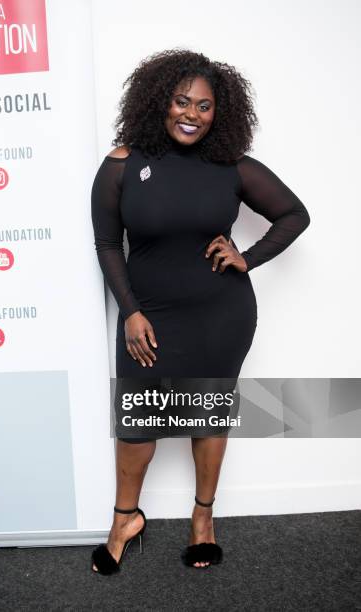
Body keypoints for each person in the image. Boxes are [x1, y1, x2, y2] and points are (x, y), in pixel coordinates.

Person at [90, 49, 310, 574]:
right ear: (159, 103)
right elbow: (107, 245)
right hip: (149, 317)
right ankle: (125, 518)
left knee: (208, 416)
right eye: (182, 101)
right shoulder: (123, 164)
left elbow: (294, 214)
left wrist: (247, 258)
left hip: (220, 316)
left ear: (220, 113)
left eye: (205, 106)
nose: (192, 113)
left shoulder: (232, 168)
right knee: (137, 422)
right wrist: (130, 313)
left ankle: (203, 521)